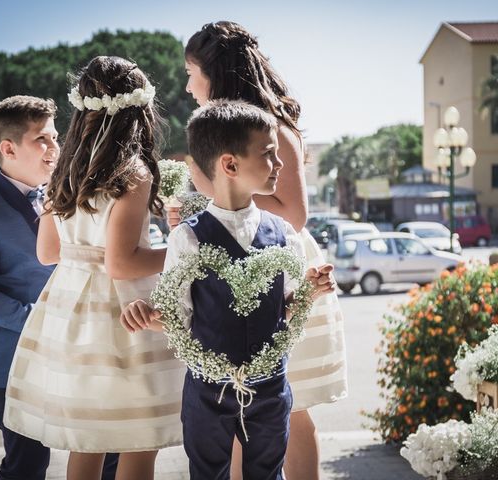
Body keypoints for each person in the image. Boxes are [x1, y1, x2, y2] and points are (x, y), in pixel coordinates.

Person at [121, 99, 335, 480]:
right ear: (230, 165)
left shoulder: (283, 233)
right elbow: (178, 318)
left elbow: (285, 308)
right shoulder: (188, 237)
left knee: (267, 474)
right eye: (269, 154)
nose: (281, 164)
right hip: (208, 393)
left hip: (269, 388)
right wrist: (145, 315)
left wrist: (312, 290)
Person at [1, 57, 184, 480]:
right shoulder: (131, 172)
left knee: (88, 442)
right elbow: (122, 263)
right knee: (139, 442)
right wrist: (180, 248)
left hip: (70, 310)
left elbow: (48, 252)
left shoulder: (63, 169)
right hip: (122, 314)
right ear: (141, 112)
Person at [180, 21, 348, 480]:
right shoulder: (220, 134)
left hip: (277, 266)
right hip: (228, 274)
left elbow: (292, 214)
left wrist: (199, 179)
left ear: (213, 71)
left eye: (191, 71)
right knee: (240, 413)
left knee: (288, 409)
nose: (187, 84)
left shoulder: (270, 131)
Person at [0, 95, 119, 480]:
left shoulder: (72, 195)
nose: (56, 147)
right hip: (14, 361)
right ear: (9, 148)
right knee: (27, 466)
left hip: (80, 354)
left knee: (105, 452)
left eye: (56, 136)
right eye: (42, 139)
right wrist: (37, 319)